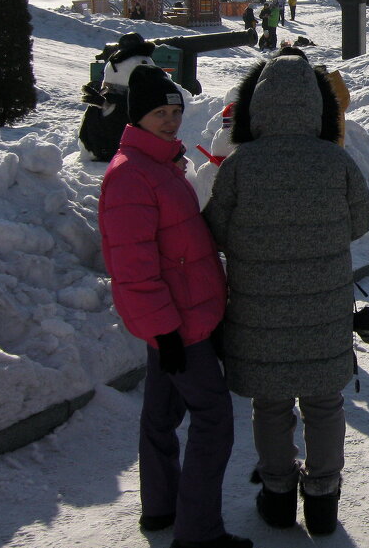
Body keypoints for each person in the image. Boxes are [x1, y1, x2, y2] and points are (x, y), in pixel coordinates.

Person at [204, 55, 369, 536]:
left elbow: (214, 230)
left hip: (259, 313)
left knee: (272, 404)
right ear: (316, 107)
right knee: (324, 404)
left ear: (256, 107)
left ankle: (277, 494)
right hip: (323, 309)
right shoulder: (335, 160)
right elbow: (361, 221)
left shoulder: (240, 165)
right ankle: (323, 499)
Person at [98, 65, 251, 548]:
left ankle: (162, 509)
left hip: (181, 319)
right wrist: (165, 332)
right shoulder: (131, 176)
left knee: (160, 418)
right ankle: (199, 533)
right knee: (214, 420)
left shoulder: (162, 165)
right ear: (137, 116)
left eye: (175, 111)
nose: (169, 121)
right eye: (159, 113)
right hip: (180, 324)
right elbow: (133, 267)